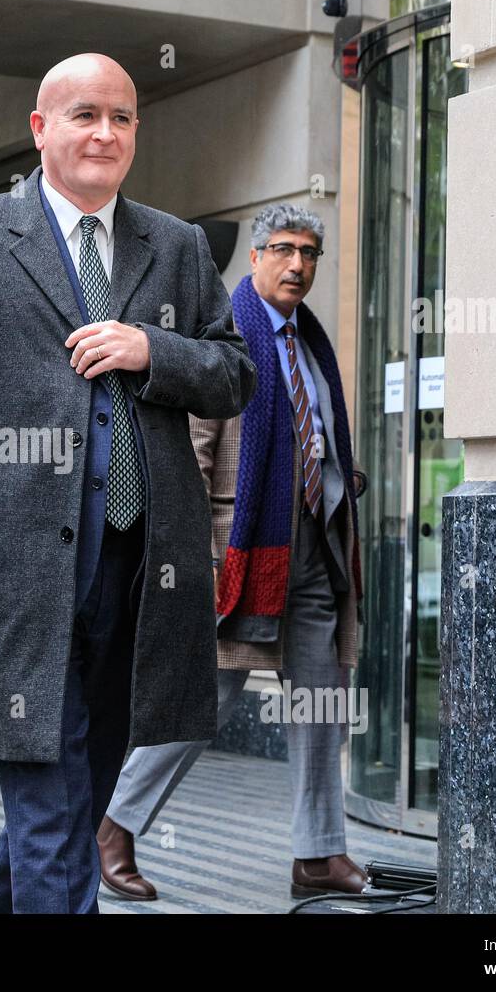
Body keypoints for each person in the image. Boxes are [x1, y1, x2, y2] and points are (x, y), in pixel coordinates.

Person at [0, 52, 255, 914]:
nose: (105, 133)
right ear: (41, 129)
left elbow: (235, 375)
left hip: (141, 578)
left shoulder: (178, 244)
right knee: (52, 823)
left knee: (69, 807)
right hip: (16, 581)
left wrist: (151, 350)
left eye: (122, 118)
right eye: (85, 114)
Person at [96, 203, 369, 901]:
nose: (298, 265)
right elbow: (193, 454)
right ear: (255, 258)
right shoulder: (232, 335)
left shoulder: (312, 343)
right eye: (284, 249)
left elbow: (319, 437)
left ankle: (318, 852)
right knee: (205, 700)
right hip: (239, 553)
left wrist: (338, 474)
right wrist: (194, 557)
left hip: (314, 550)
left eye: (310, 253)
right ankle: (113, 827)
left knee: (319, 702)